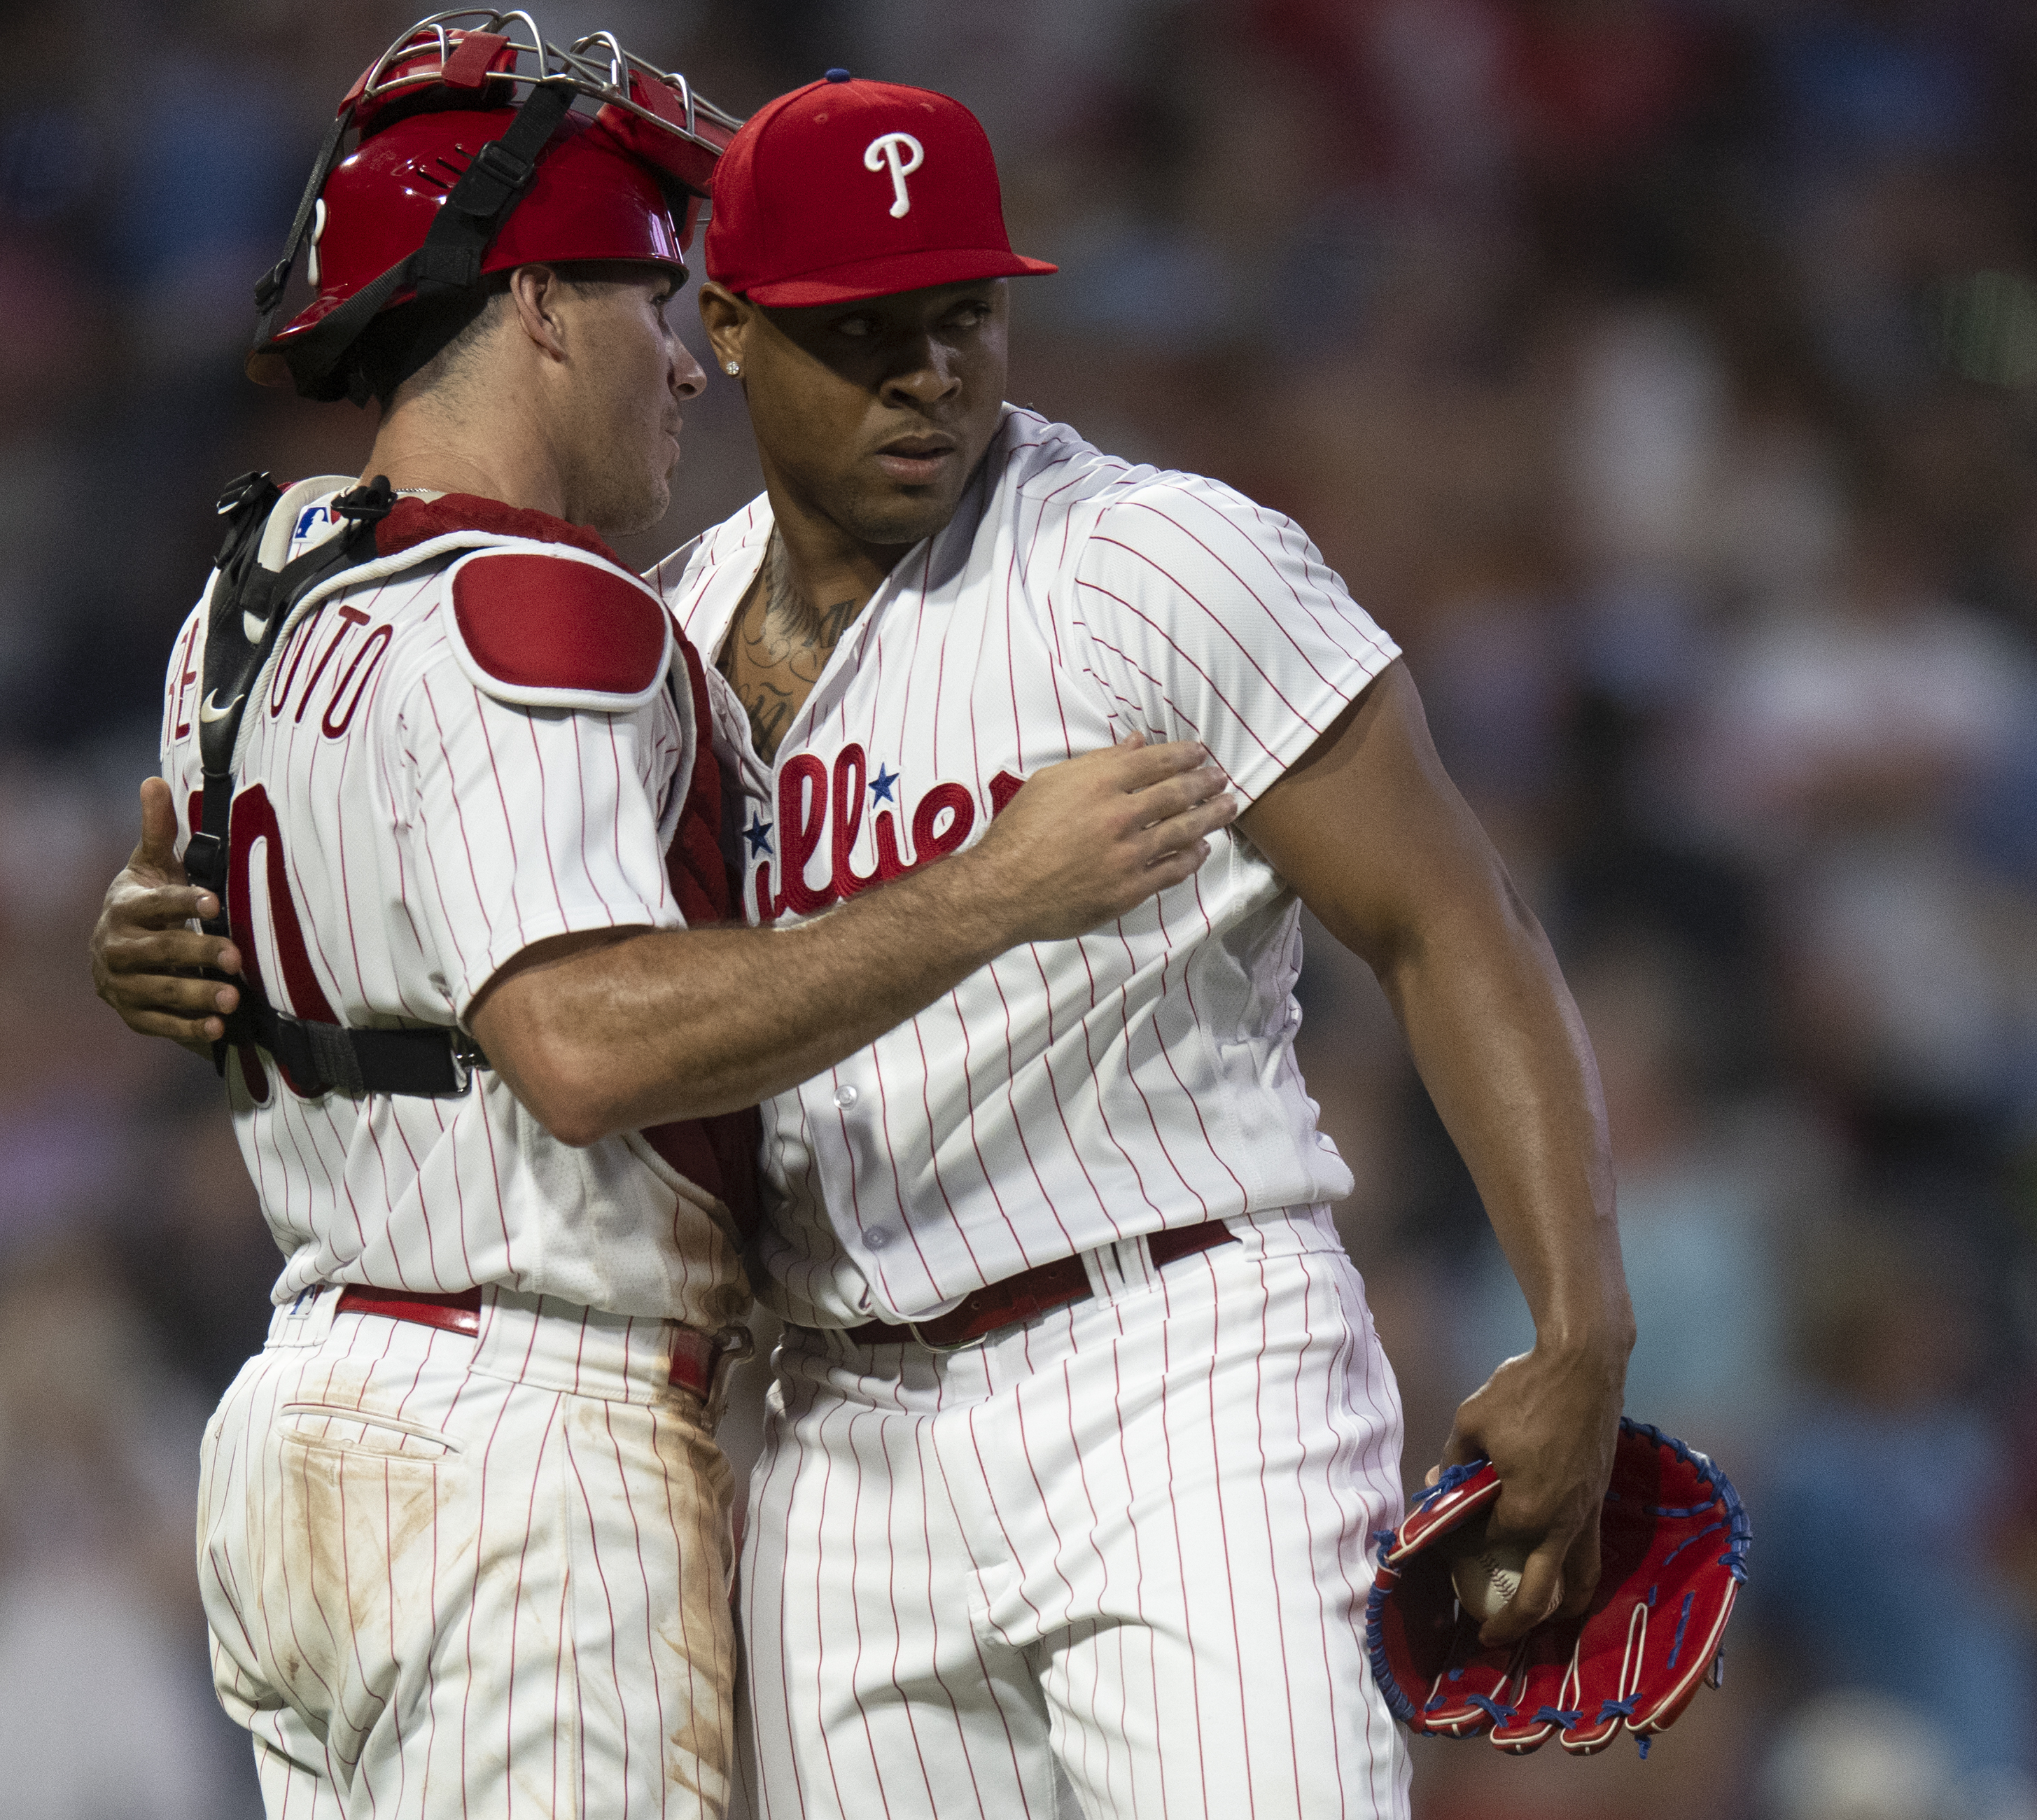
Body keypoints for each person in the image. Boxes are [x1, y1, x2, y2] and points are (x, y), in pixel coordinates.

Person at [100, 64, 1630, 1820]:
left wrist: (1581, 1324)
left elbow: (1453, 920)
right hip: (823, 1425)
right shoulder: (658, 627)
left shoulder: (1155, 564)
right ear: (732, 329)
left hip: (1171, 1358)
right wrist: (171, 942)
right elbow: (492, 967)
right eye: (866, 330)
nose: (931, 375)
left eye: (965, 316)